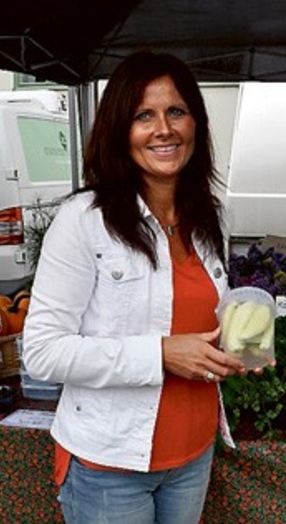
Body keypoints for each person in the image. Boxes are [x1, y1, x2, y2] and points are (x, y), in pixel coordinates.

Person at [22, 51, 269, 523]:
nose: (164, 129)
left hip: (193, 452)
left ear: (195, 122)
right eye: (143, 116)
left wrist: (240, 344)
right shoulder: (84, 220)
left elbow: (195, 316)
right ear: (120, 130)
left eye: (176, 111)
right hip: (111, 464)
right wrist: (160, 353)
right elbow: (42, 352)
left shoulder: (210, 215)